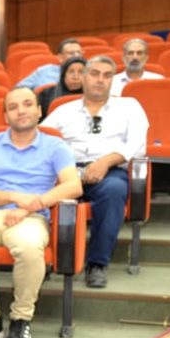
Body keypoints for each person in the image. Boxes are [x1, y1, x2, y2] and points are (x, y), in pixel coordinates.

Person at [0, 88, 82, 338]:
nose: (21, 110)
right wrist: (15, 197)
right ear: (5, 115)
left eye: (27, 104)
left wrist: (30, 205)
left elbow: (73, 186)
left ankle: (21, 319)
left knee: (30, 248)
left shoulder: (56, 146)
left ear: (39, 110)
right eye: (13, 107)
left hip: (31, 217)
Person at [42, 56, 151, 289]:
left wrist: (105, 162)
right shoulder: (63, 110)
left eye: (107, 75)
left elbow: (137, 144)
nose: (100, 80)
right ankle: (43, 260)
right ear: (83, 77)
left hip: (109, 171)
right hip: (68, 172)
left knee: (114, 190)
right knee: (38, 185)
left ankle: (97, 264)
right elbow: (42, 139)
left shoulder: (129, 106)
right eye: (94, 74)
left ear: (113, 80)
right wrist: (67, 170)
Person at [16, 38, 85, 89]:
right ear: (60, 58)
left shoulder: (88, 72)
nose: (77, 56)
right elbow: (19, 89)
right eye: (71, 53)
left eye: (79, 52)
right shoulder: (45, 71)